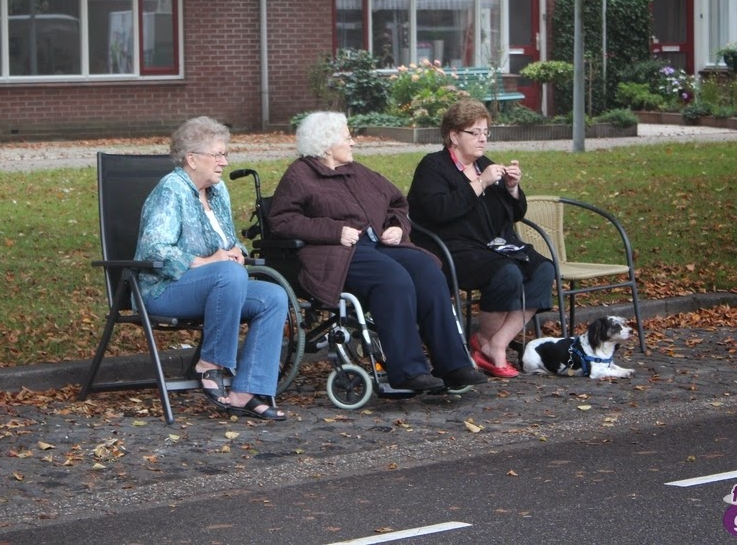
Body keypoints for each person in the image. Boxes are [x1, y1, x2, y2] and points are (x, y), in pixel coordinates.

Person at [267, 111, 487, 392]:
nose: (353, 142)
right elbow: (282, 221)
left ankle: (453, 365)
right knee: (392, 278)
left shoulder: (358, 171)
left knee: (427, 270)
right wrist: (334, 231)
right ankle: (408, 371)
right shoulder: (300, 175)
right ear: (326, 144)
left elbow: (398, 203)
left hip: (379, 245)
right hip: (335, 253)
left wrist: (396, 226)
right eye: (347, 137)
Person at [135, 116, 288, 421]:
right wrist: (207, 262)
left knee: (273, 297)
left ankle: (246, 391)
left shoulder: (218, 192)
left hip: (218, 286)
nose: (224, 162)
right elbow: (154, 248)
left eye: (225, 154)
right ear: (192, 159)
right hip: (164, 290)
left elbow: (228, 242)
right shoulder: (171, 190)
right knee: (228, 274)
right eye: (217, 155)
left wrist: (238, 252)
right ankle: (210, 364)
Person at [407, 99, 555, 378]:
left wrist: (512, 188)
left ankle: (493, 343)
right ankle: (488, 345)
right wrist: (480, 183)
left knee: (544, 270)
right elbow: (439, 211)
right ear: (454, 136)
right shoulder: (433, 166)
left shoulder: (484, 164)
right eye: (474, 132)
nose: (483, 138)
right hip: (451, 247)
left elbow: (515, 214)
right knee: (506, 273)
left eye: (486, 132)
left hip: (493, 244)